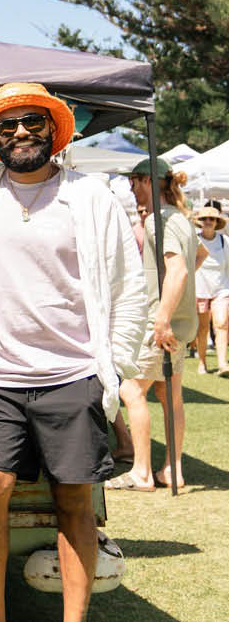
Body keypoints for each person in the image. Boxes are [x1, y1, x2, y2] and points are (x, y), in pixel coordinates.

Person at [0, 83, 148, 622]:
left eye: (32, 122)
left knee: (74, 503)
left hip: (74, 371)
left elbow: (129, 286)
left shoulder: (91, 196)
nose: (20, 133)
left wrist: (116, 366)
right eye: (8, 125)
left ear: (53, 130)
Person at [118, 157, 203, 489]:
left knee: (130, 389)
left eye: (134, 184)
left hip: (163, 323)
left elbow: (179, 269)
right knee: (171, 395)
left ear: (146, 181)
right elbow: (193, 262)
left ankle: (141, 471)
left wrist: (163, 316)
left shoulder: (160, 221)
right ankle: (173, 469)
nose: (132, 192)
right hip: (182, 324)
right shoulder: (182, 219)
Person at [190, 203, 229, 374]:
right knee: (203, 328)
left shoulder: (224, 241)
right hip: (200, 290)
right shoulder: (194, 240)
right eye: (205, 218)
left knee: (221, 324)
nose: (208, 221)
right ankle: (202, 362)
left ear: (216, 222)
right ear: (200, 221)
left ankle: (222, 363)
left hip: (221, 289)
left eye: (211, 219)